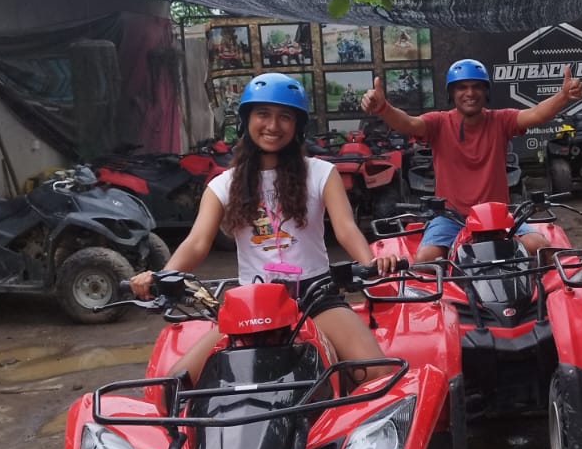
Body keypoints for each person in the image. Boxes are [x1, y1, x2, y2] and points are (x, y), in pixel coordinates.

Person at [130, 72, 394, 379]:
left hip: (316, 295)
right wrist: (162, 277)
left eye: (285, 117)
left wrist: (370, 263)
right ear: (246, 120)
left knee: (378, 373)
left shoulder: (322, 173)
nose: (272, 125)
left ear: (298, 125)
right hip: (251, 303)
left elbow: (346, 228)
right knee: (175, 384)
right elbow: (197, 242)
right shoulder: (222, 184)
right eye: (263, 114)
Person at [361, 58, 582, 261]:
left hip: (497, 215)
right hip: (450, 217)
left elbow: (535, 114)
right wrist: (383, 108)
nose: (470, 93)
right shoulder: (438, 122)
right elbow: (408, 123)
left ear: (485, 91)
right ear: (452, 93)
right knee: (425, 260)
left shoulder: (501, 120)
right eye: (462, 87)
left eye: (476, 86)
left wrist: (563, 96)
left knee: (540, 248)